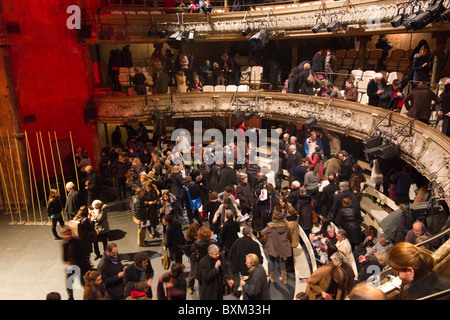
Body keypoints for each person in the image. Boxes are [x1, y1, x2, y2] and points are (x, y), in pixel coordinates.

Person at [61, 226, 92, 300]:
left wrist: (80, 266)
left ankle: (90, 295)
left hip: (80, 266)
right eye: (67, 234)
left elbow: (84, 255)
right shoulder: (65, 244)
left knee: (84, 282)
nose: (69, 236)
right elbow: (64, 257)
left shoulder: (77, 242)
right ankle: (71, 297)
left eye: (69, 234)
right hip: (72, 266)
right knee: (69, 283)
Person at [261, 212, 292, 285]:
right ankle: (284, 279)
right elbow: (288, 234)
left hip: (273, 246)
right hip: (283, 245)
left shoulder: (271, 226)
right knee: (282, 262)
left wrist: (269, 234)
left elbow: (262, 232)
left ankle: (272, 278)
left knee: (271, 261)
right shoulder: (286, 225)